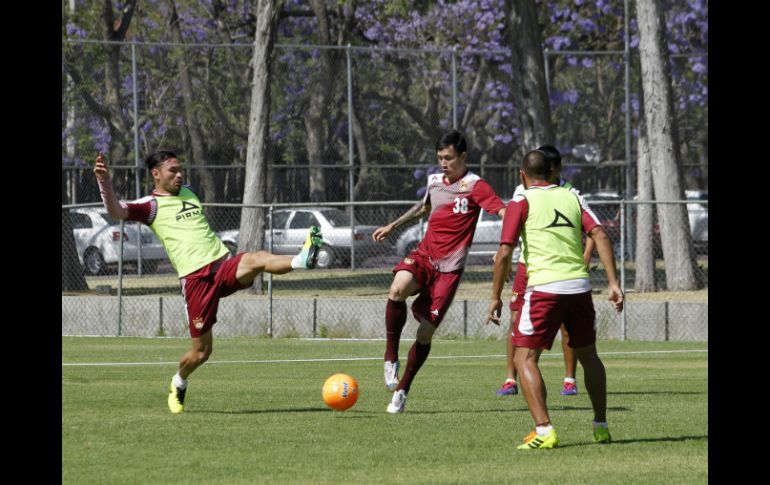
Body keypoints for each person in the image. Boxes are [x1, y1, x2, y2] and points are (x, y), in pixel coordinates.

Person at [93, 150, 323, 414]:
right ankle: (179, 380)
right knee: (201, 353)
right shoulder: (151, 206)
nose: (180, 175)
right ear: (156, 174)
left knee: (256, 258)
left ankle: (302, 259)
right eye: (173, 171)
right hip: (196, 281)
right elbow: (116, 211)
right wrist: (104, 181)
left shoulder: (189, 193)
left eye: (181, 170)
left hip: (222, 264)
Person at [486, 149, 623, 449]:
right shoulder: (572, 196)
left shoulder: (521, 200)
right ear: (549, 173)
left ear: (522, 175)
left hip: (544, 289)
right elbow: (599, 233)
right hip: (578, 287)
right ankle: (601, 425)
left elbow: (505, 252)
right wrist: (613, 283)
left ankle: (545, 430)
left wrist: (495, 296)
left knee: (524, 358)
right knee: (589, 356)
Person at [372, 130, 506, 414]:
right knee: (396, 289)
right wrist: (393, 226)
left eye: (449, 158)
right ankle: (390, 358)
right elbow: (425, 208)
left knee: (424, 334)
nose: (444, 163)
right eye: (440, 158)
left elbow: (504, 213)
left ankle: (403, 390)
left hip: (449, 270)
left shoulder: (476, 186)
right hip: (424, 255)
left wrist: (505, 250)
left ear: (463, 157)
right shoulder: (434, 181)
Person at [494, 145, 595, 397]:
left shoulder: (570, 193)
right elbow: (510, 234)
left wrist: (585, 256)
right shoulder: (523, 192)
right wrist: (503, 260)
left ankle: (569, 379)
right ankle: (511, 379)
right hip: (528, 266)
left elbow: (595, 232)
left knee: (567, 327)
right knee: (515, 320)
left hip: (559, 269)